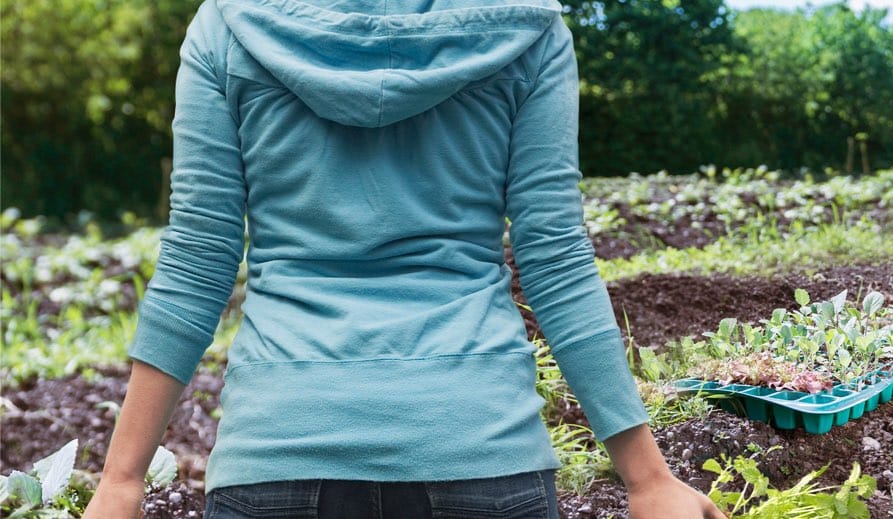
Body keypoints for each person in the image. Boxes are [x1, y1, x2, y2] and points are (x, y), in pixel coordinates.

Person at [82, 0, 723, 517]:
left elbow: (198, 258)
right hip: (479, 448)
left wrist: (121, 481)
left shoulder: (229, 25)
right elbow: (554, 255)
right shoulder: (527, 26)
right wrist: (646, 478)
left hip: (280, 448)